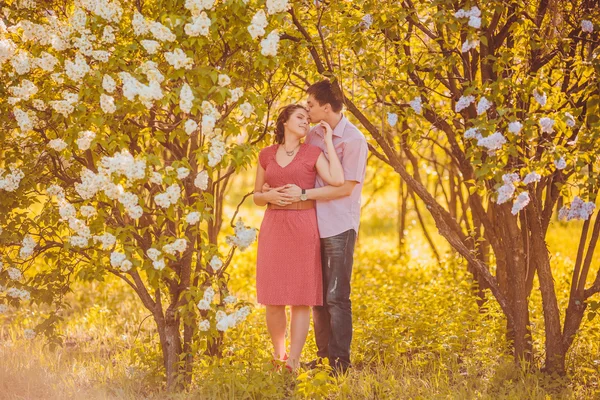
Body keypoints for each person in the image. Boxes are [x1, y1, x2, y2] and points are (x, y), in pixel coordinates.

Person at [276, 80, 369, 373]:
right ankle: (324, 358)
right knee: (317, 297)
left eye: (311, 104)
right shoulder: (313, 135)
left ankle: (341, 363)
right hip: (311, 225)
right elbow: (296, 164)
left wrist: (304, 195)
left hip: (340, 226)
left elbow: (345, 188)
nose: (307, 108)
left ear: (326, 107)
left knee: (336, 296)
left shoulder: (354, 140)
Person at [253, 104, 345, 371]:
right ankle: (279, 356)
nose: (306, 122)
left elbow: (337, 180)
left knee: (300, 299)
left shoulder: (312, 152)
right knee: (272, 298)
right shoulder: (266, 154)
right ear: (284, 121)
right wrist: (268, 196)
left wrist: (327, 140)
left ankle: (294, 360)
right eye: (300, 118)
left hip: (303, 227)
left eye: (308, 119)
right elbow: (257, 195)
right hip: (273, 227)